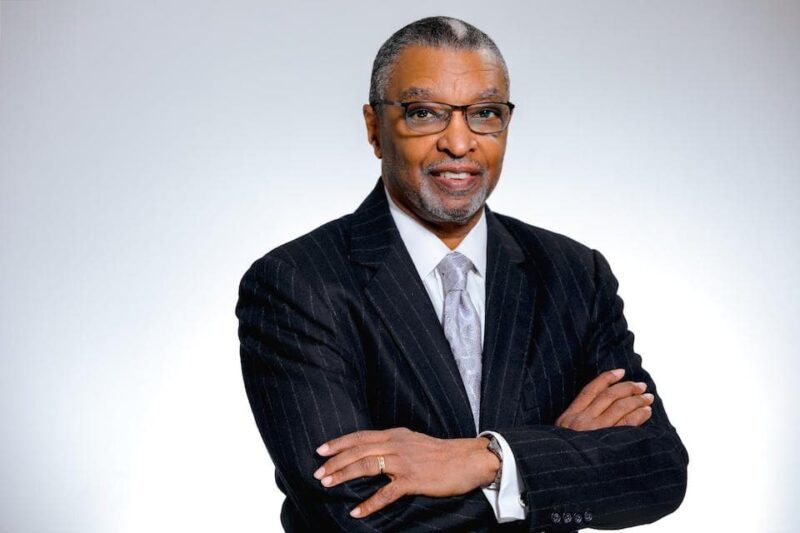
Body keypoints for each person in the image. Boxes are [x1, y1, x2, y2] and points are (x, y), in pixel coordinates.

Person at [236, 16, 688, 532]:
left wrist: (488, 458)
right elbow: (354, 515)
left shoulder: (574, 274)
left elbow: (657, 474)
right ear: (374, 128)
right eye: (424, 113)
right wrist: (553, 464)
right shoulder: (297, 283)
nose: (458, 143)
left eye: (484, 113)